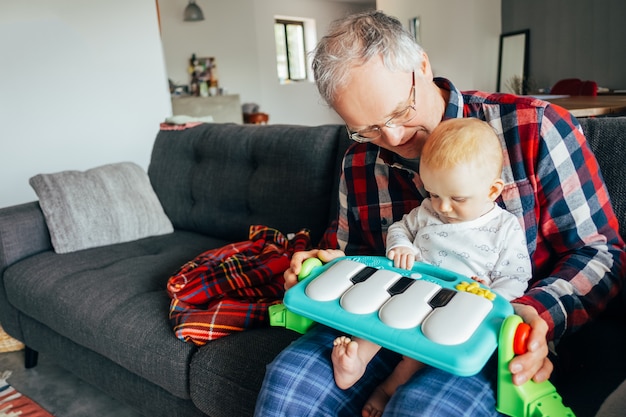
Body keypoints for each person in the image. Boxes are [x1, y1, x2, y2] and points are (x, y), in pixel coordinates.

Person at [254, 10, 625, 417]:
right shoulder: (358, 161)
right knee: (289, 384)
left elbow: (601, 252)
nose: (392, 138)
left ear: (422, 66)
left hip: (486, 327)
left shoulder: (534, 128)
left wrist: (532, 315)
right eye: (368, 129)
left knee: (422, 408)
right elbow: (354, 254)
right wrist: (326, 266)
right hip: (386, 315)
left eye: (399, 112)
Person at [331, 117, 532, 416]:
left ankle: (388, 390)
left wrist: (491, 296)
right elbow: (401, 228)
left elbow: (516, 277)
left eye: (457, 198)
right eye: (434, 193)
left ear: (492, 191)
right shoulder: (427, 212)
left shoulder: (504, 228)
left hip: (456, 306)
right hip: (411, 289)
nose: (443, 207)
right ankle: (357, 358)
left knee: (420, 356)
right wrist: (400, 245)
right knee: (378, 314)